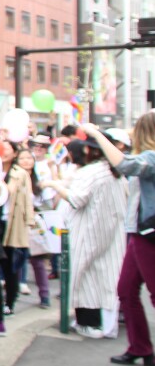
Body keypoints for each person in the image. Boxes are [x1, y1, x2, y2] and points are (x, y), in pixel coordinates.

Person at [82, 117, 155, 366]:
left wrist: (98, 134)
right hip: (139, 231)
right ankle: (140, 347)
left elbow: (124, 164)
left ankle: (144, 350)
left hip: (149, 233)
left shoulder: (151, 157)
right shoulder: (146, 156)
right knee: (125, 290)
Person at [43, 139, 127, 339]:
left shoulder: (91, 172)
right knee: (106, 279)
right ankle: (105, 325)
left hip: (87, 233)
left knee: (84, 279)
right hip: (111, 234)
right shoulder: (115, 172)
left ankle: (89, 324)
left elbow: (76, 198)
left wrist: (53, 184)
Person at [0, 141, 35, 312]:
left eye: (8, 149)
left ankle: (9, 303)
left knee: (10, 264)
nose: (3, 152)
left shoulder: (19, 173)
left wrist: (30, 221)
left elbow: (27, 199)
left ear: (14, 153)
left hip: (12, 222)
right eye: (1, 148)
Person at [15, 146, 53, 308]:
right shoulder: (13, 178)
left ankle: (44, 295)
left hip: (34, 223)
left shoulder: (39, 182)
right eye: (22, 158)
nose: (26, 161)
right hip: (16, 222)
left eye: (29, 158)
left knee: (37, 261)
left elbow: (48, 203)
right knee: (15, 261)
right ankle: (12, 295)